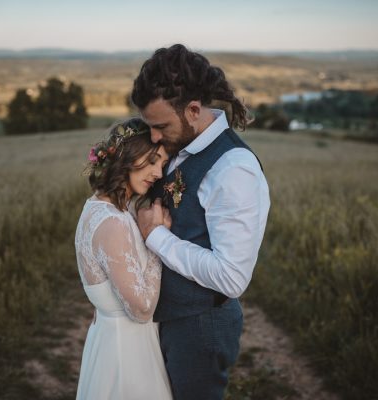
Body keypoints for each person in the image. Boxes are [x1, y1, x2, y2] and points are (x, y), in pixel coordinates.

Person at [131, 44, 271, 399]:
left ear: (193, 110)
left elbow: (231, 277)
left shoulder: (233, 169)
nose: (156, 137)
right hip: (170, 319)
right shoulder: (182, 147)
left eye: (161, 126)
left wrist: (156, 237)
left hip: (199, 328)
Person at [74, 117, 173, 399]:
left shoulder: (99, 206)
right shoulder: (113, 222)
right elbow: (141, 310)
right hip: (126, 355)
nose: (157, 172)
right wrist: (155, 239)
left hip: (111, 340)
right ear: (127, 155)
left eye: (162, 164)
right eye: (152, 160)